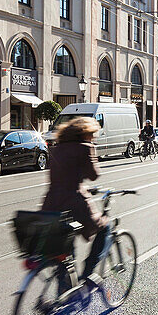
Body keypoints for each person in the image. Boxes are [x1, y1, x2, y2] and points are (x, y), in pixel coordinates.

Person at [41, 117, 107, 288]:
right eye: (92, 135)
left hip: (51, 204)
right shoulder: (85, 148)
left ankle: (64, 293)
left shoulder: (56, 149)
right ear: (86, 134)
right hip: (74, 203)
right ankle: (88, 273)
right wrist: (93, 154)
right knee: (105, 227)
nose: (93, 138)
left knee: (65, 249)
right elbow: (93, 175)